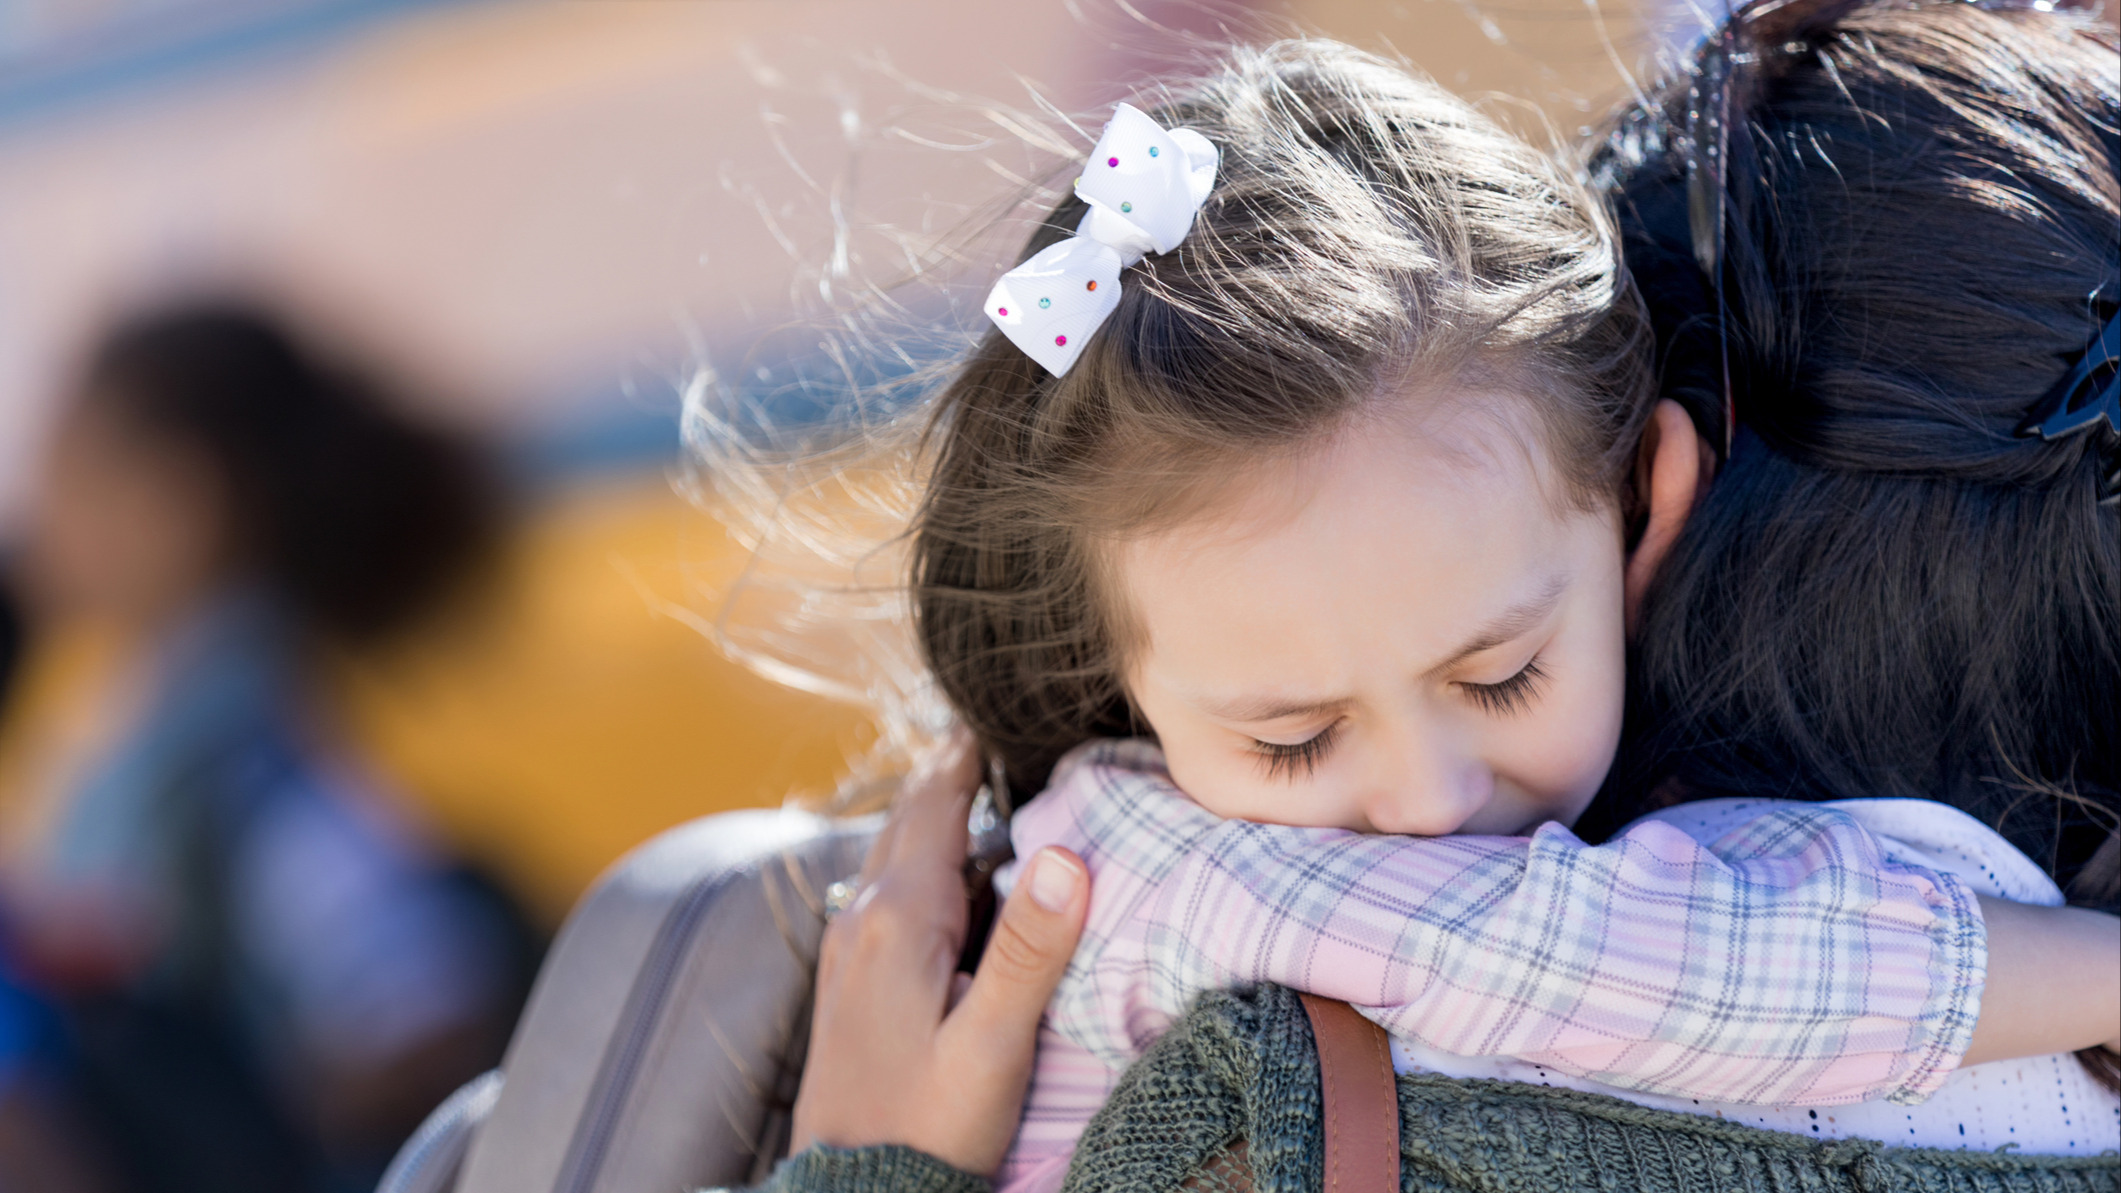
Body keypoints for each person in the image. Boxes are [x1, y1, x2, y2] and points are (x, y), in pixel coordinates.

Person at [728, 5, 2121, 1190]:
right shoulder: (1164, 872)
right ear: (1121, 681)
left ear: (1640, 499)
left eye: (1499, 674)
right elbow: (1661, 969)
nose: (1427, 799)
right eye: (1290, 738)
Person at [3, 306, 536, 1193]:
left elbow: (421, 997)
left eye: (69, 471)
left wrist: (265, 1130)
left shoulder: (233, 763)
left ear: (177, 504)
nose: (40, 510)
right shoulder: (158, 726)